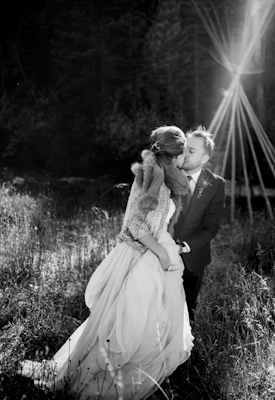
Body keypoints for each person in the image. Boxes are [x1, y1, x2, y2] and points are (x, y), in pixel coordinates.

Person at [20, 126, 194, 399]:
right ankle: (106, 377)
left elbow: (156, 220)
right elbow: (137, 223)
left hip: (153, 252)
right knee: (129, 322)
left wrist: (171, 246)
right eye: (186, 152)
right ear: (177, 154)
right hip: (143, 256)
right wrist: (160, 252)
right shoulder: (154, 180)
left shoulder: (159, 176)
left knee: (146, 319)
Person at [174, 126, 226, 320]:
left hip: (193, 259)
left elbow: (211, 227)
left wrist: (184, 247)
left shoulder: (215, 184)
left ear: (204, 159)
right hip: (162, 254)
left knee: (187, 312)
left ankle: (183, 350)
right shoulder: (168, 175)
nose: (184, 153)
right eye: (184, 148)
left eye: (191, 151)